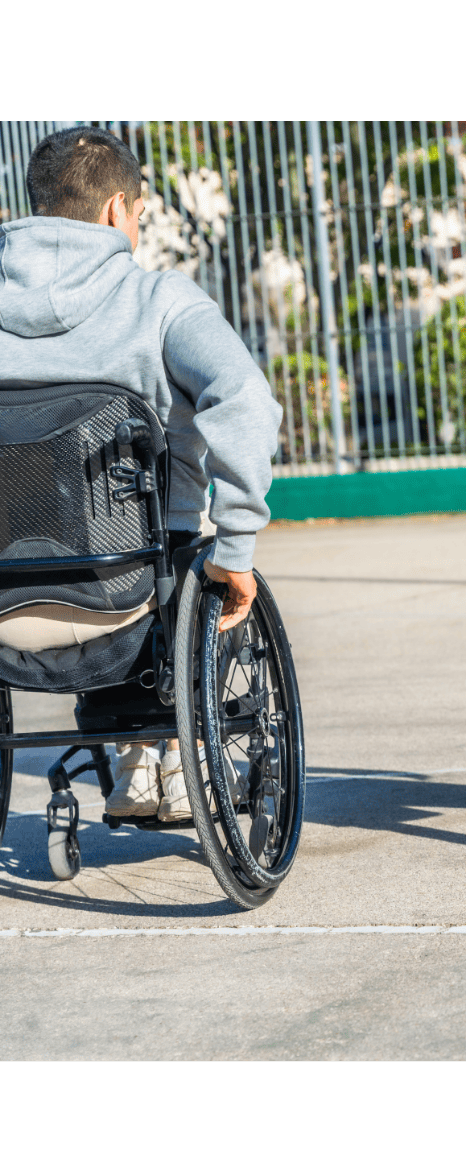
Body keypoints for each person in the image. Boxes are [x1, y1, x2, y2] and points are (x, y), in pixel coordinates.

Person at [0, 126, 281, 821]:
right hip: (142, 584)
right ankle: (182, 759)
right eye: (139, 216)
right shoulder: (158, 301)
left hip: (7, 599)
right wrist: (238, 547)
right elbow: (244, 398)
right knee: (194, 556)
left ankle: (134, 762)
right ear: (115, 212)